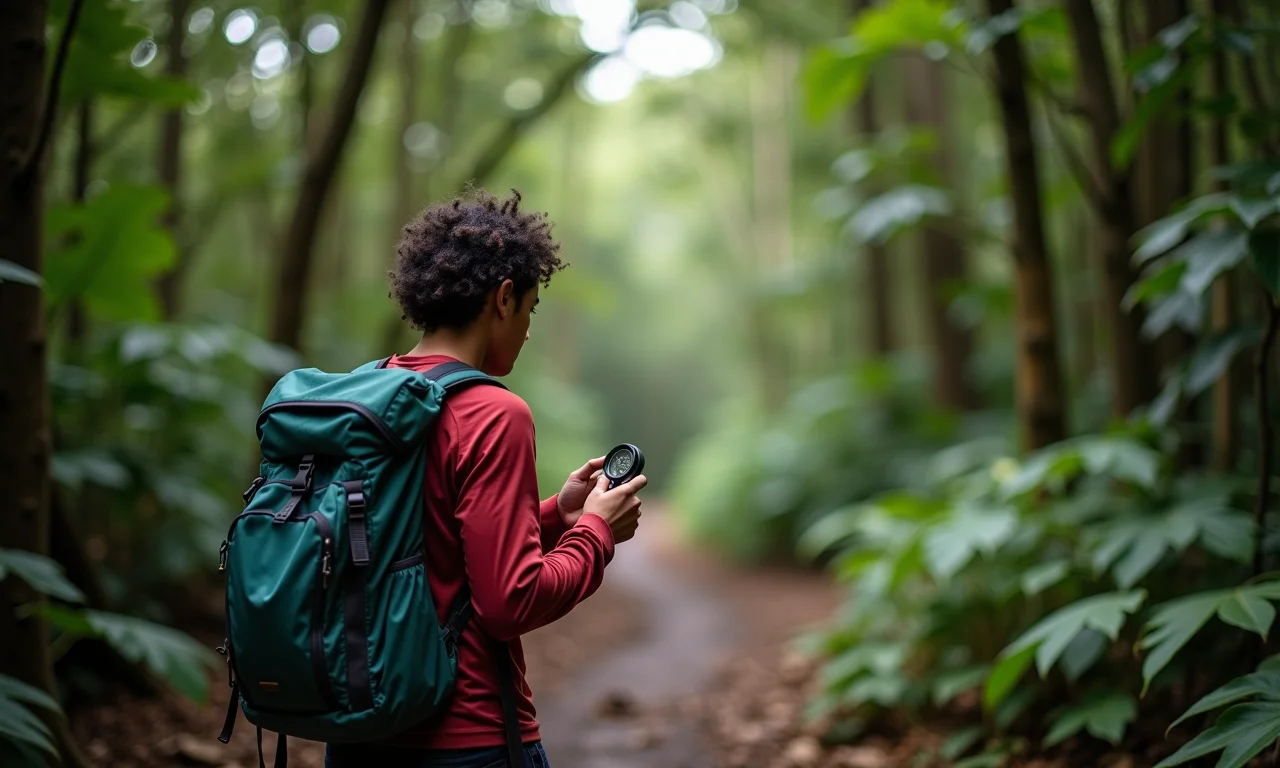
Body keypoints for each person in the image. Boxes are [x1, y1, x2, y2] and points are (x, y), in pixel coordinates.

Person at [323, 187, 646, 768]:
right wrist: (596, 533)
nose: (526, 329)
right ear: (503, 299)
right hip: (468, 739)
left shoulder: (370, 393)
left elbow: (420, 541)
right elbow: (509, 602)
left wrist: (556, 516)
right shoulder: (494, 413)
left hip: (358, 733)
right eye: (529, 309)